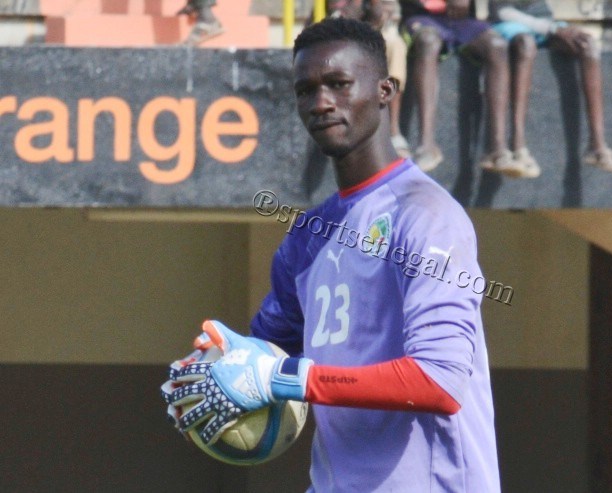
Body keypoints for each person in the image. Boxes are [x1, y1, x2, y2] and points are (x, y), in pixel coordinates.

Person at [162, 17, 500, 492]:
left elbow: (439, 381)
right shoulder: (307, 237)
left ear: (385, 90)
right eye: (306, 90)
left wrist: (284, 378)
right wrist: (220, 366)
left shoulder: (426, 215)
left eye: (339, 84)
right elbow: (271, 356)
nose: (321, 102)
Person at [489, 0, 612, 178]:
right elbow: (502, 11)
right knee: (526, 44)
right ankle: (518, 148)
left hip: (544, 21)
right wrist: (551, 29)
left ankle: (598, 148)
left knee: (587, 44)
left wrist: (553, 28)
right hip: (508, 22)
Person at [401, 0, 515, 173]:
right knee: (428, 41)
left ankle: (497, 148)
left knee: (497, 45)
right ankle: (426, 146)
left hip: (463, 19)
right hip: (420, 17)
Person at [314, 0, 412, 158]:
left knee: (396, 45)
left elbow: (389, 16)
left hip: (371, 35)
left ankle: (393, 131)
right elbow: (316, 26)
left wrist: (378, 11)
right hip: (338, 38)